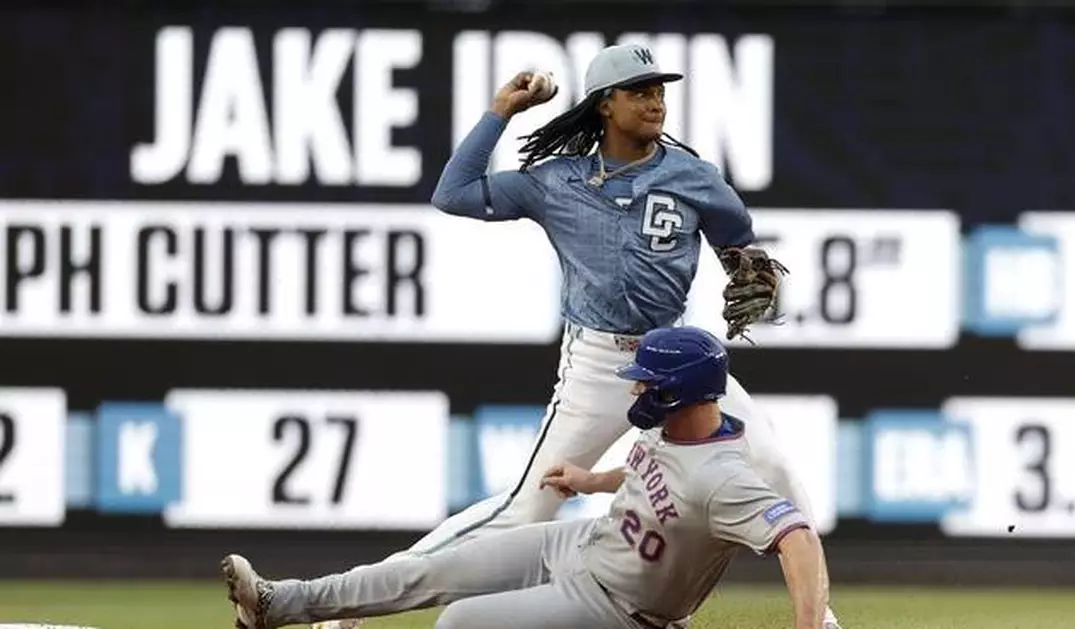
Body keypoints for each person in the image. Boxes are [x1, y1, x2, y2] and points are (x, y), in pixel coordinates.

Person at [321, 42, 840, 629]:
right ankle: (360, 598)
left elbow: (740, 250)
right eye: (639, 92)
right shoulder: (556, 181)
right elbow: (453, 193)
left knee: (774, 467)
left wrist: (754, 272)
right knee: (525, 510)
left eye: (659, 91)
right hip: (597, 365)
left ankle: (820, 620)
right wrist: (502, 111)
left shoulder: (694, 177)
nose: (656, 102)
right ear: (604, 104)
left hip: (675, 361)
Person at [222, 326, 831, 629]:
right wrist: (594, 482)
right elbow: (655, 476)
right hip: (582, 545)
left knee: (459, 624)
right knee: (430, 570)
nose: (636, 389)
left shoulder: (725, 477)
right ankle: (278, 604)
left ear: (680, 389)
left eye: (646, 381)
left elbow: (798, 539)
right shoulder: (677, 427)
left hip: (619, 605)